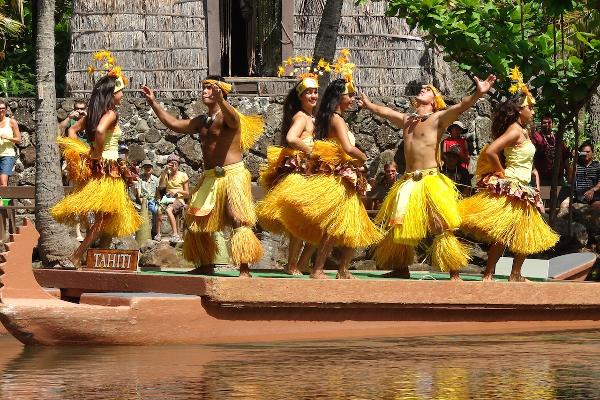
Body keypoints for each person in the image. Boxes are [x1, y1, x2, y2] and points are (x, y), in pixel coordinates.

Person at [359, 75, 497, 280]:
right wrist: (369, 105)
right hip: (408, 181)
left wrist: (478, 93)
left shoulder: (438, 118)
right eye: (422, 87)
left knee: (441, 224)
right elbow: (386, 112)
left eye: (428, 88)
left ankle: (454, 271)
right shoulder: (407, 120)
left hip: (431, 179)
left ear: (434, 99)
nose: (423, 88)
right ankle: (401, 267)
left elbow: (461, 106)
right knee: (400, 224)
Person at [141, 76, 264, 277]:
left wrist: (222, 100)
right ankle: (206, 263)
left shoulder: (230, 117)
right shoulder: (201, 121)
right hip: (210, 177)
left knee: (237, 218)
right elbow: (173, 123)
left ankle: (244, 268)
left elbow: (233, 119)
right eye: (203, 88)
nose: (204, 91)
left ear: (220, 91)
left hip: (233, 174)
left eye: (209, 88)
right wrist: (153, 102)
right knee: (196, 219)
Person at [459, 67, 559, 282]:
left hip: (524, 187)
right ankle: (488, 274)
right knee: (502, 235)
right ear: (519, 110)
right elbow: (492, 150)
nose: (533, 112)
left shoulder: (524, 131)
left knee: (524, 232)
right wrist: (500, 173)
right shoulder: (514, 130)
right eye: (530, 108)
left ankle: (514, 274)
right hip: (513, 186)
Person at [281, 74, 383, 279]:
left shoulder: (320, 118)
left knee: (342, 224)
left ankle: (333, 268)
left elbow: (339, 149)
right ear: (339, 98)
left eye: (315, 91)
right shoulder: (318, 118)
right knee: (324, 224)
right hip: (329, 176)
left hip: (338, 174)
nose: (353, 99)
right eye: (349, 95)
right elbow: (346, 147)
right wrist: (363, 158)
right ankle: (306, 267)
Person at [51, 51, 141, 267]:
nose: (122, 95)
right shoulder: (110, 113)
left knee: (107, 217)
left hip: (98, 170)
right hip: (108, 171)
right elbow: (100, 131)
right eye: (120, 91)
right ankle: (76, 256)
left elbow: (72, 130)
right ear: (112, 94)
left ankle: (96, 257)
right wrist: (97, 152)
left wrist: (82, 151)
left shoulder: (92, 111)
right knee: (105, 218)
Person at [256, 65, 322, 275]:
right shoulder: (301, 117)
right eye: (309, 92)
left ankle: (299, 265)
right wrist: (310, 150)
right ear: (301, 96)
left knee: (315, 224)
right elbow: (292, 138)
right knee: (300, 222)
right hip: (300, 174)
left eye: (315, 92)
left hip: (311, 174)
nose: (313, 95)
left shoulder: (312, 118)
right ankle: (292, 264)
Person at [59, 99, 88, 241]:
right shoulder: (70, 122)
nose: (80, 111)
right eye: (77, 108)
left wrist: (88, 117)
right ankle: (78, 233)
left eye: (82, 108)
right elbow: (59, 130)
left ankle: (88, 230)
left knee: (88, 197)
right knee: (75, 195)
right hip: (74, 163)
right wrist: (69, 117)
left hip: (89, 162)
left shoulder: (90, 120)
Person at [155, 154, 189, 242]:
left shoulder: (183, 175)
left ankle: (175, 234)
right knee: (159, 210)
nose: (173, 166)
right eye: (171, 164)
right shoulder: (167, 174)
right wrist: (165, 172)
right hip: (168, 197)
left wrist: (177, 191)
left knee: (169, 209)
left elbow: (187, 194)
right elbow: (161, 186)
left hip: (179, 198)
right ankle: (158, 234)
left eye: (175, 164)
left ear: (178, 165)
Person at [531, 113, 570, 185]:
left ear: (553, 124)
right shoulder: (536, 137)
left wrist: (569, 174)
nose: (547, 125)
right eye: (544, 123)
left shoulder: (557, 138)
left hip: (558, 179)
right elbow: (531, 156)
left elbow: (565, 157)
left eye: (549, 122)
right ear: (541, 124)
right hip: (541, 179)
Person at [135, 159, 160, 237]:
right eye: (145, 167)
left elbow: (158, 193)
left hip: (152, 200)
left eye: (149, 167)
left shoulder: (155, 179)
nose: (147, 169)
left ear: (152, 168)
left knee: (156, 210)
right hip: (143, 200)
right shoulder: (139, 178)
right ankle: (141, 233)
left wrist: (158, 201)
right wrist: (143, 203)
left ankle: (155, 231)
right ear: (143, 168)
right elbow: (139, 193)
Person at [572, 142, 600, 207]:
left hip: (594, 197)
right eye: (583, 152)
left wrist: (592, 190)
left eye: (588, 152)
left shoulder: (597, 166)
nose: (586, 154)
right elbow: (570, 180)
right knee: (564, 205)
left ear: (592, 153)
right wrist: (574, 159)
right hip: (578, 197)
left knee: (597, 206)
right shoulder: (577, 165)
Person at [0, 100, 21, 186]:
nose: (1, 110)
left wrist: (8, 138)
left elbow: (18, 139)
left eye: (2, 108)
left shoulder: (11, 122)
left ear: (6, 109)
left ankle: (3, 199)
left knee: (2, 183)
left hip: (7, 155)